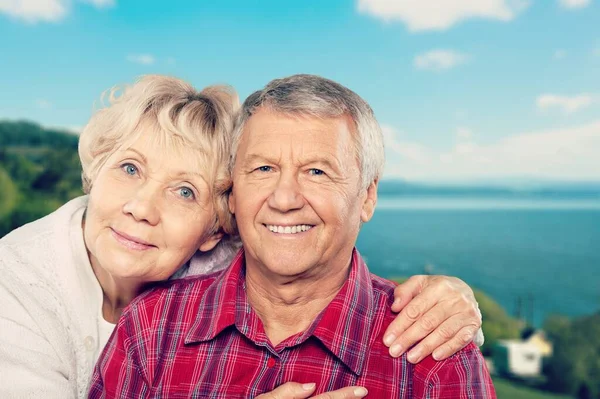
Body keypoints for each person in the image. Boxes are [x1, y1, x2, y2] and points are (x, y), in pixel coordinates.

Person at [0, 75, 482, 399]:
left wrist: (458, 301)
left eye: (316, 170)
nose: (285, 197)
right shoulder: (144, 328)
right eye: (264, 168)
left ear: (216, 220)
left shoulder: (433, 356)